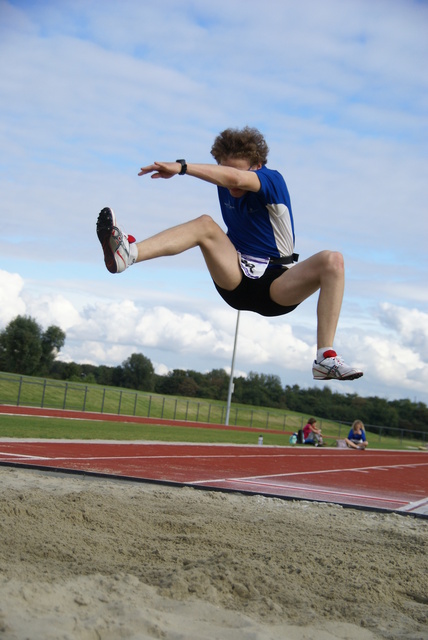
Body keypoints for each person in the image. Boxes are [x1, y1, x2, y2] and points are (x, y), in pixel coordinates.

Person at [96, 126, 363, 381]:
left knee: (333, 260)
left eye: (236, 170)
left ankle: (325, 357)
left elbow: (235, 179)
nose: (228, 180)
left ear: (256, 166)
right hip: (235, 278)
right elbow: (229, 178)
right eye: (223, 168)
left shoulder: (272, 180)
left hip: (277, 287)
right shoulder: (225, 180)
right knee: (205, 225)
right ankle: (128, 255)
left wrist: (181, 168)